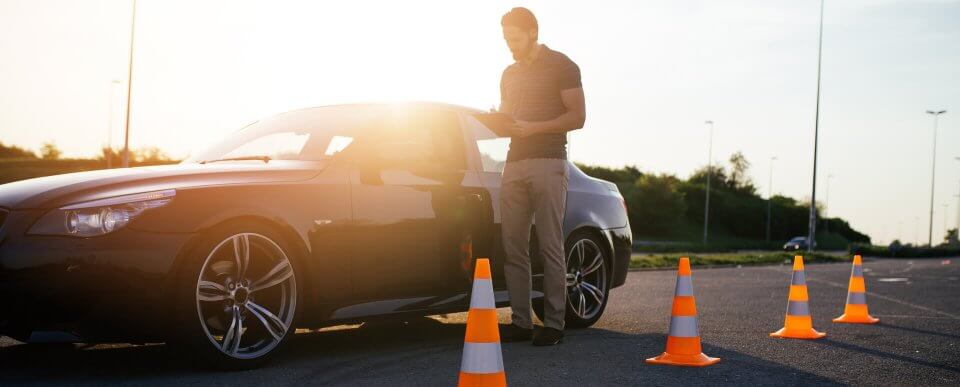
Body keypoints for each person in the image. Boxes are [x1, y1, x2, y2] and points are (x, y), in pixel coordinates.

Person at [497, 7, 586, 346]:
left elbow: (577, 116)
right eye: (506, 39)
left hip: (549, 162)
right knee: (513, 246)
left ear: (532, 32)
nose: (510, 45)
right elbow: (507, 113)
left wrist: (534, 127)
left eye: (514, 38)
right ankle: (521, 323)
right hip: (514, 163)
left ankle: (554, 324)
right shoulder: (508, 73)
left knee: (549, 244)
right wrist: (497, 121)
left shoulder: (563, 66)